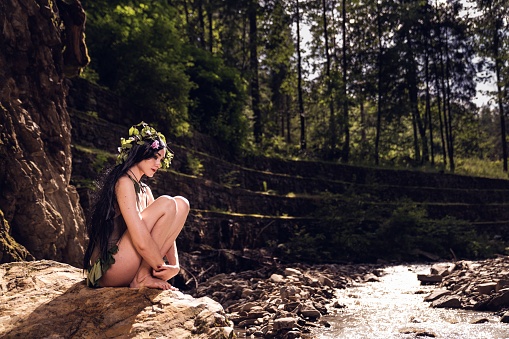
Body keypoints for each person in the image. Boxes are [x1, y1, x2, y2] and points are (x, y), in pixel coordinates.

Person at [83, 122, 189, 290]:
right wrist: (160, 266)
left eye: (161, 159)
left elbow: (165, 228)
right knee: (167, 203)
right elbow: (140, 241)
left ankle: (142, 275)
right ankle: (142, 277)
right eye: (155, 157)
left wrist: (175, 267)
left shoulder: (145, 190)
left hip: (128, 265)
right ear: (141, 153)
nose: (159, 164)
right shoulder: (123, 182)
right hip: (109, 270)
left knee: (182, 204)